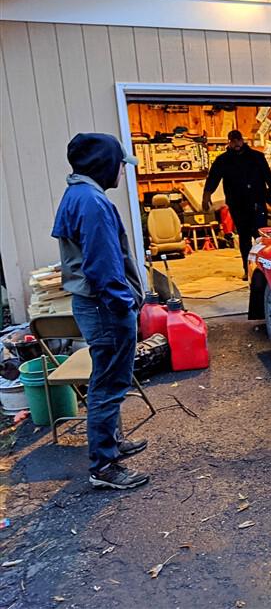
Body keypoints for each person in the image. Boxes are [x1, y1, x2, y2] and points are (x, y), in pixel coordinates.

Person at [51, 133, 149, 490]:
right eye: (120, 164)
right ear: (104, 164)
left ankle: (110, 444)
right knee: (109, 384)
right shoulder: (92, 202)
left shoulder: (78, 193)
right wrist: (125, 305)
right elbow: (103, 266)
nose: (122, 171)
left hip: (95, 304)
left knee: (107, 380)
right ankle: (104, 467)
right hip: (105, 306)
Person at [203, 130, 271, 280]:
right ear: (229, 142)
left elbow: (268, 175)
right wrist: (206, 196)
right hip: (237, 204)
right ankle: (247, 269)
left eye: (238, 140)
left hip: (257, 201)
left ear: (242, 140)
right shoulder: (223, 160)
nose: (236, 144)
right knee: (244, 238)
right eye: (233, 141)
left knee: (260, 237)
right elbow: (213, 178)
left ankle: (263, 269)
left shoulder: (257, 157)